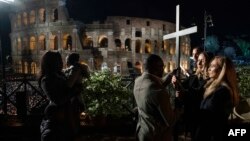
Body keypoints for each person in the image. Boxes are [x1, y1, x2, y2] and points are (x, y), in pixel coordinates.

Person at [133, 54, 180, 141]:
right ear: (157, 68)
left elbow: (155, 84)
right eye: (162, 66)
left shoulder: (138, 81)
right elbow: (170, 120)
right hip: (157, 135)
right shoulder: (158, 91)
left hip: (142, 132)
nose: (163, 69)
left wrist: (170, 76)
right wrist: (178, 98)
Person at [194, 56, 240, 141]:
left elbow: (212, 119)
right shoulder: (215, 88)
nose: (209, 69)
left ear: (222, 70)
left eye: (213, 66)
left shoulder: (222, 92)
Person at [38, 51, 73, 141]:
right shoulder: (46, 80)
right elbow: (57, 100)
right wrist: (73, 92)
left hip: (64, 115)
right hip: (55, 117)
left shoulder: (60, 75)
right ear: (51, 63)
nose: (62, 63)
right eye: (59, 61)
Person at [63, 52, 90, 136]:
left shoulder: (75, 69)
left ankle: (75, 134)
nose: (65, 61)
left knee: (73, 116)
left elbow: (69, 83)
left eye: (67, 59)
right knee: (74, 116)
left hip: (73, 95)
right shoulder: (76, 68)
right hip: (76, 94)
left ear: (70, 60)